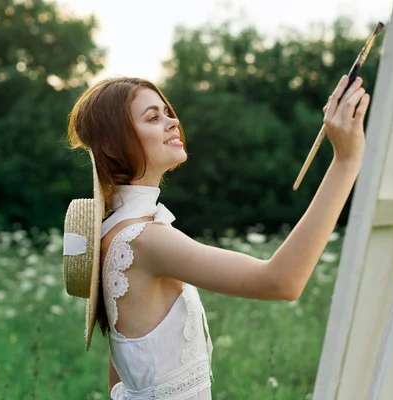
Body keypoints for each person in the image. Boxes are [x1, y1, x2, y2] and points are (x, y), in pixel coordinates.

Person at [62, 74, 370, 400]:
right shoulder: (144, 240)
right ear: (112, 146)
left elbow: (121, 374)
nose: (172, 121)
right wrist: (346, 161)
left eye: (167, 112)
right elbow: (282, 281)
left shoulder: (113, 231)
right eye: (153, 117)